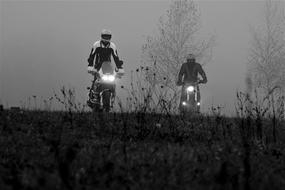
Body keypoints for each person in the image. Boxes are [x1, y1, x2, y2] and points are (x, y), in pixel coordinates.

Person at [87, 29, 124, 108]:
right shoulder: (96, 45)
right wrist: (90, 65)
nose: (106, 38)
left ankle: (112, 95)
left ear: (110, 37)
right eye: (105, 36)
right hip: (98, 66)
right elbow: (91, 56)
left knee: (114, 80)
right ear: (101, 36)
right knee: (96, 80)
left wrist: (119, 67)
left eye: (108, 36)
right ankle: (92, 96)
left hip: (108, 66)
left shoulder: (112, 46)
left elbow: (116, 57)